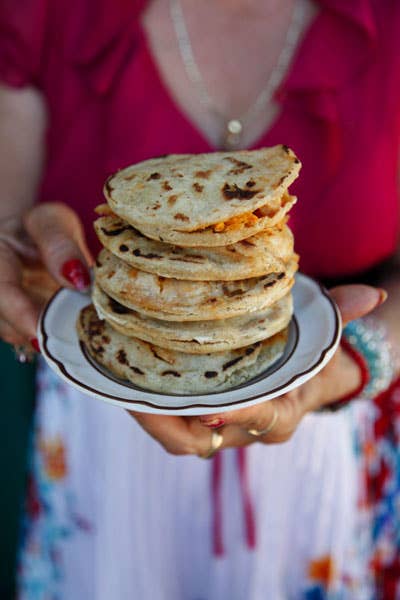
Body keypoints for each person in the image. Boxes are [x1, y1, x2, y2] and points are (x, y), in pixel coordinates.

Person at [1, 0, 400, 597]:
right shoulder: (41, 12)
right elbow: (9, 220)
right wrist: (19, 256)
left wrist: (349, 360)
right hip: (102, 450)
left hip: (337, 456)